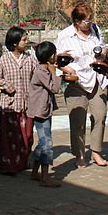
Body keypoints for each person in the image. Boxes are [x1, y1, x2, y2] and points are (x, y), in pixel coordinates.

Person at [55, 2, 108, 167]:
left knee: (100, 116)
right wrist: (68, 69)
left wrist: (102, 54)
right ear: (76, 22)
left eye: (91, 20)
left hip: (97, 78)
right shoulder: (65, 36)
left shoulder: (96, 31)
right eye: (86, 21)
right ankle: (79, 154)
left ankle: (96, 151)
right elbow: (56, 59)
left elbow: (104, 47)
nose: (89, 24)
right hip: (76, 81)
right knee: (77, 120)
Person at [0, 26, 36, 174]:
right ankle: (8, 165)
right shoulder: (3, 61)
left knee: (27, 136)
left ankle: (23, 162)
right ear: (14, 43)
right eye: (23, 39)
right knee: (8, 137)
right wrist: (6, 85)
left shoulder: (30, 60)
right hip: (9, 105)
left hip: (26, 104)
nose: (27, 41)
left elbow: (36, 78)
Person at [28, 41, 63, 188]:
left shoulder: (43, 70)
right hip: (40, 112)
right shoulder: (42, 71)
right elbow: (55, 88)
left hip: (44, 110)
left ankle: (35, 171)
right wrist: (55, 73)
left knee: (43, 142)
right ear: (50, 56)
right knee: (47, 143)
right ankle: (45, 176)